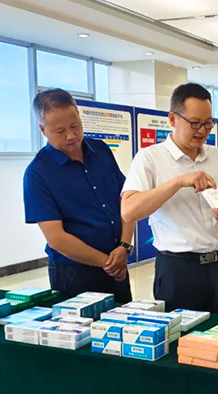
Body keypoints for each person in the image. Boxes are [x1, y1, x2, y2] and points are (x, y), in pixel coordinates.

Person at [121, 83, 218, 313]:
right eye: (194, 123)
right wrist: (178, 182)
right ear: (172, 118)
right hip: (178, 269)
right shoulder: (150, 158)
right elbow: (129, 210)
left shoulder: (216, 156)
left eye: (208, 123)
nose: (202, 131)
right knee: (180, 334)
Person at [23, 88, 133, 303]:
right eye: (60, 131)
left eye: (75, 126)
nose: (71, 135)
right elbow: (57, 239)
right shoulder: (38, 173)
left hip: (117, 260)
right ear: (43, 130)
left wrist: (124, 246)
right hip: (75, 272)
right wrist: (109, 263)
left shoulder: (100, 150)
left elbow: (126, 199)